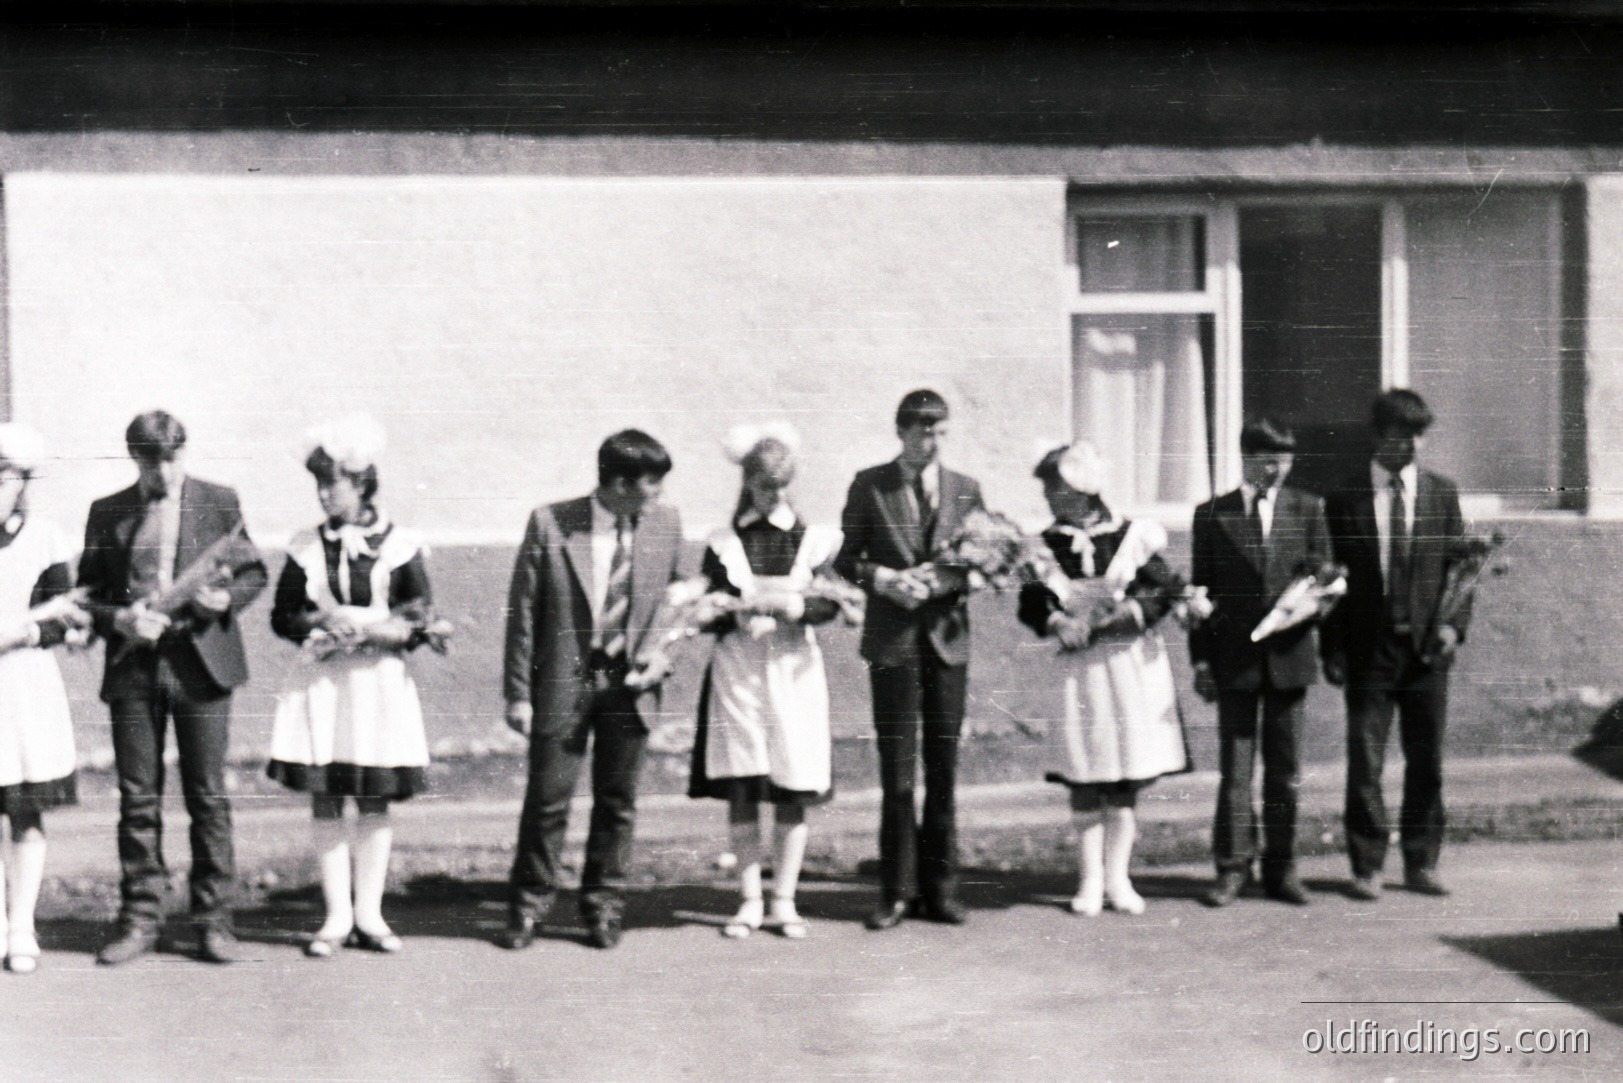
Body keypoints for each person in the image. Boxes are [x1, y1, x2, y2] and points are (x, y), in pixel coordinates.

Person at [79, 410, 267, 965]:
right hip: (134, 669)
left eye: (175, 456)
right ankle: (140, 918)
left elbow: (254, 572)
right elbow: (87, 596)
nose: (167, 470)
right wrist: (121, 619)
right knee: (138, 799)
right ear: (134, 457)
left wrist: (224, 601)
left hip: (201, 667)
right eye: (154, 459)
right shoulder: (107, 512)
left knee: (207, 796)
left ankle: (213, 919)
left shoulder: (219, 500)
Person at [501, 430, 684, 950]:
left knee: (618, 801)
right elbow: (523, 613)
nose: (659, 498)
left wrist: (664, 651)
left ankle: (603, 906)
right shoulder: (552, 523)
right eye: (651, 487)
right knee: (547, 800)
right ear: (619, 484)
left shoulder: (665, 523)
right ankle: (529, 907)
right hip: (565, 682)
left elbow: (677, 595)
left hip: (630, 687)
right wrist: (518, 693)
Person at [267, 416, 439, 957]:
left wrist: (385, 633)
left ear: (362, 484)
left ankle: (371, 913)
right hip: (324, 684)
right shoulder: (304, 546)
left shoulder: (402, 546)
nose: (323, 494)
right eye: (317, 484)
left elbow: (419, 617)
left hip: (376, 686)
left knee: (372, 794)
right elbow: (283, 615)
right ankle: (336, 917)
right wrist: (319, 623)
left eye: (332, 483)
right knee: (327, 793)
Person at [1017, 443, 1190, 916]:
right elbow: (1032, 602)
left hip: (1128, 665)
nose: (1049, 496)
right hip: (1079, 669)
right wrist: (1058, 623)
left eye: (1055, 486)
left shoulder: (1132, 535)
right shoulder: (1046, 545)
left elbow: (1163, 589)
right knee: (1085, 769)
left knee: (1126, 772)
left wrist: (1127, 614)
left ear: (1082, 490)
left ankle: (1119, 878)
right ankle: (1090, 879)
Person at [834, 389, 985, 931]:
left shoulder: (966, 490)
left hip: (947, 642)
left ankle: (941, 889)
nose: (933, 441)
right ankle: (896, 891)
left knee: (943, 768)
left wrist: (952, 577)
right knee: (898, 769)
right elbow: (846, 559)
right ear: (901, 433)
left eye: (941, 431)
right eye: (923, 432)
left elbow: (984, 560)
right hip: (894, 642)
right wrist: (884, 580)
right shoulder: (870, 484)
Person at [687, 425, 839, 940]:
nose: (771, 495)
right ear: (747, 481)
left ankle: (785, 900)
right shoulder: (726, 541)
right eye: (762, 486)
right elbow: (709, 606)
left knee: (793, 782)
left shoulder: (811, 538)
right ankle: (749, 899)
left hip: (793, 670)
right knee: (745, 782)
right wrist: (730, 615)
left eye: (780, 486)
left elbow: (830, 603)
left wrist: (793, 607)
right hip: (740, 670)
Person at [1322, 389, 1469, 900]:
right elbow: (1329, 584)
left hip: (1428, 651)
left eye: (1418, 435)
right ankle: (1367, 866)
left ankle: (1421, 863)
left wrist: (1454, 627)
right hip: (1369, 650)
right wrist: (1332, 649)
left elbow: (1460, 571)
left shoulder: (1441, 494)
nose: (1411, 445)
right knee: (1366, 761)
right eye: (1400, 434)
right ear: (1376, 435)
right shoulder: (1343, 501)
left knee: (1426, 759)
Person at [1190, 418, 1331, 908]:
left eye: (1285, 460)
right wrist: (1201, 662)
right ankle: (1231, 868)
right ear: (1245, 458)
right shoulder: (1212, 514)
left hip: (1289, 659)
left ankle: (1282, 868)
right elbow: (1200, 594)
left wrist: (1319, 601)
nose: (1277, 469)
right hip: (1234, 661)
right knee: (1236, 770)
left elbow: (1324, 577)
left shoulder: (1309, 508)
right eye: (1267, 459)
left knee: (1285, 771)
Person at [0, 425, 90, 974]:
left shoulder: (45, 539)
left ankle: (22, 925)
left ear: (23, 481)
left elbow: (64, 621)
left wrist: (21, 634)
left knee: (25, 808)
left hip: (24, 684)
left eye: (5, 476)